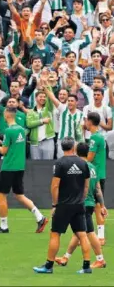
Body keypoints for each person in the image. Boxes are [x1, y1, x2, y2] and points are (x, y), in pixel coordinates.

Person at [33, 137, 91, 274]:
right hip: (78, 205)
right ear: (73, 147)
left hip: (63, 205)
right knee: (82, 234)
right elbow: (86, 186)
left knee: (55, 234)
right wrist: (80, 199)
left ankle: (48, 266)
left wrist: (55, 204)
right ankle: (87, 266)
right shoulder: (83, 163)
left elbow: (54, 186)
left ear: (61, 148)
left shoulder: (60, 163)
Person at [0, 107, 48, 234]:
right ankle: (40, 217)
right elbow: (12, 145)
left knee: (1, 195)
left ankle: (3, 226)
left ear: (6, 115)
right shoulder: (21, 129)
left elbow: (3, 151)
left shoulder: (9, 131)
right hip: (20, 167)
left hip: (8, 167)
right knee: (19, 195)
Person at [55, 142, 107, 269]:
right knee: (78, 232)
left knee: (89, 233)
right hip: (90, 203)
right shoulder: (94, 168)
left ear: (76, 152)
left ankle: (100, 260)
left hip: (82, 203)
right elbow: (98, 189)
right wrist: (102, 205)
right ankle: (65, 258)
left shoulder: (80, 166)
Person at [86, 112, 107, 246]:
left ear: (90, 122)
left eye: (86, 121)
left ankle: (100, 236)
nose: (85, 123)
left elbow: (89, 158)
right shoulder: (100, 137)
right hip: (100, 174)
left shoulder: (94, 138)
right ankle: (96, 235)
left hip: (95, 176)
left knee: (96, 206)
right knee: (95, 206)